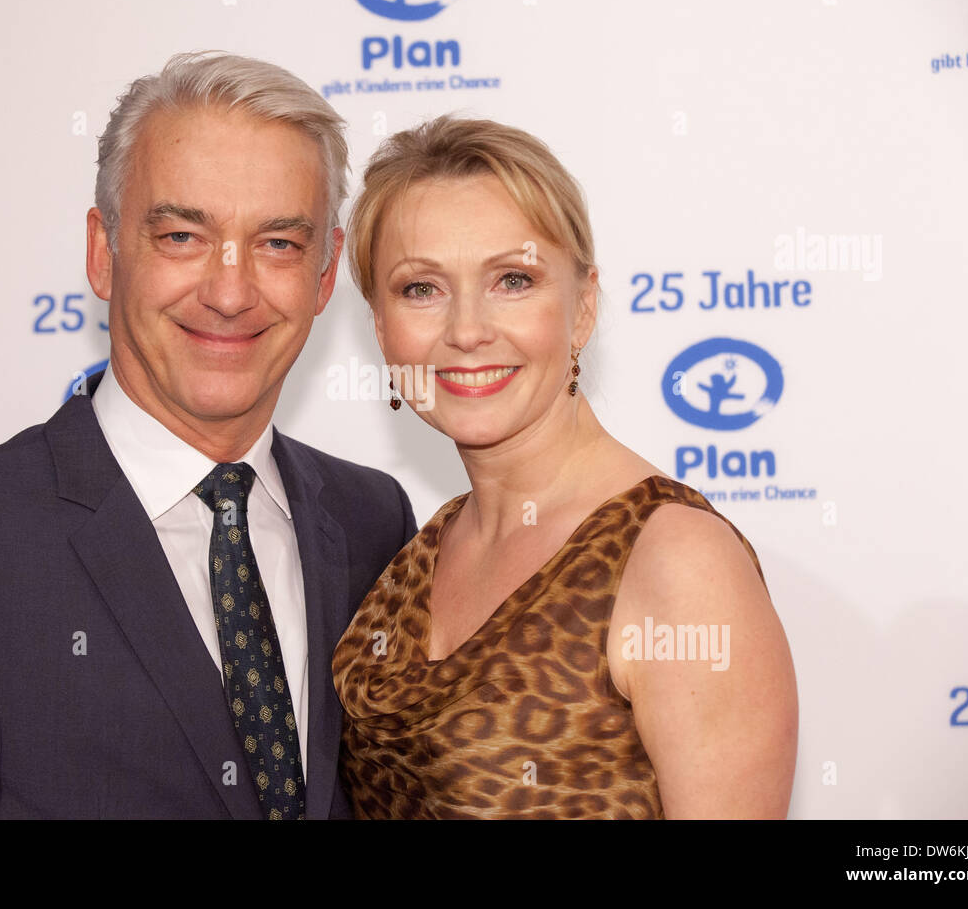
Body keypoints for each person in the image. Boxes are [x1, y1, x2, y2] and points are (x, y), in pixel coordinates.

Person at [0, 51, 417, 819]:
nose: (230, 290)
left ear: (324, 276)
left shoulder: (371, 520)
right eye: (183, 235)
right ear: (103, 252)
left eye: (279, 243)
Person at [332, 114, 798, 818]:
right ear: (379, 327)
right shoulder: (416, 552)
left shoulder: (674, 561)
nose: (465, 330)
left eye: (512, 280)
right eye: (420, 288)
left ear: (581, 309)